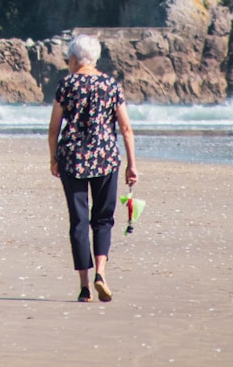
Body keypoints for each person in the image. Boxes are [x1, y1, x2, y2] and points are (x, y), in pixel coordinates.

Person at [48, 33, 138, 303]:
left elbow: (54, 129)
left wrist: (53, 158)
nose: (67, 63)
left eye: (68, 59)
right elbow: (125, 127)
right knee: (102, 219)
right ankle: (101, 272)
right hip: (106, 159)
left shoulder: (67, 84)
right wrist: (132, 164)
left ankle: (84, 286)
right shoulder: (110, 85)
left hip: (72, 159)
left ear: (75, 58)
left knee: (78, 221)